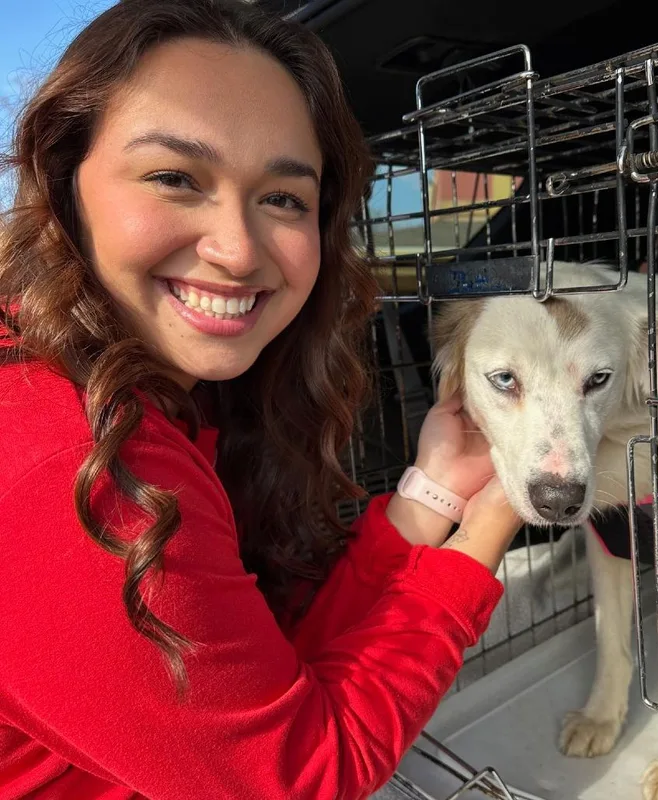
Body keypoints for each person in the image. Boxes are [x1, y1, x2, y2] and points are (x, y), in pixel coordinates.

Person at [0, 1, 522, 798]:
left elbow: (270, 669)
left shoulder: (167, 397)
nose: (238, 251)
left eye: (282, 198)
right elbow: (304, 778)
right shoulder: (73, 466)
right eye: (175, 178)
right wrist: (496, 514)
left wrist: (437, 486)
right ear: (65, 184)